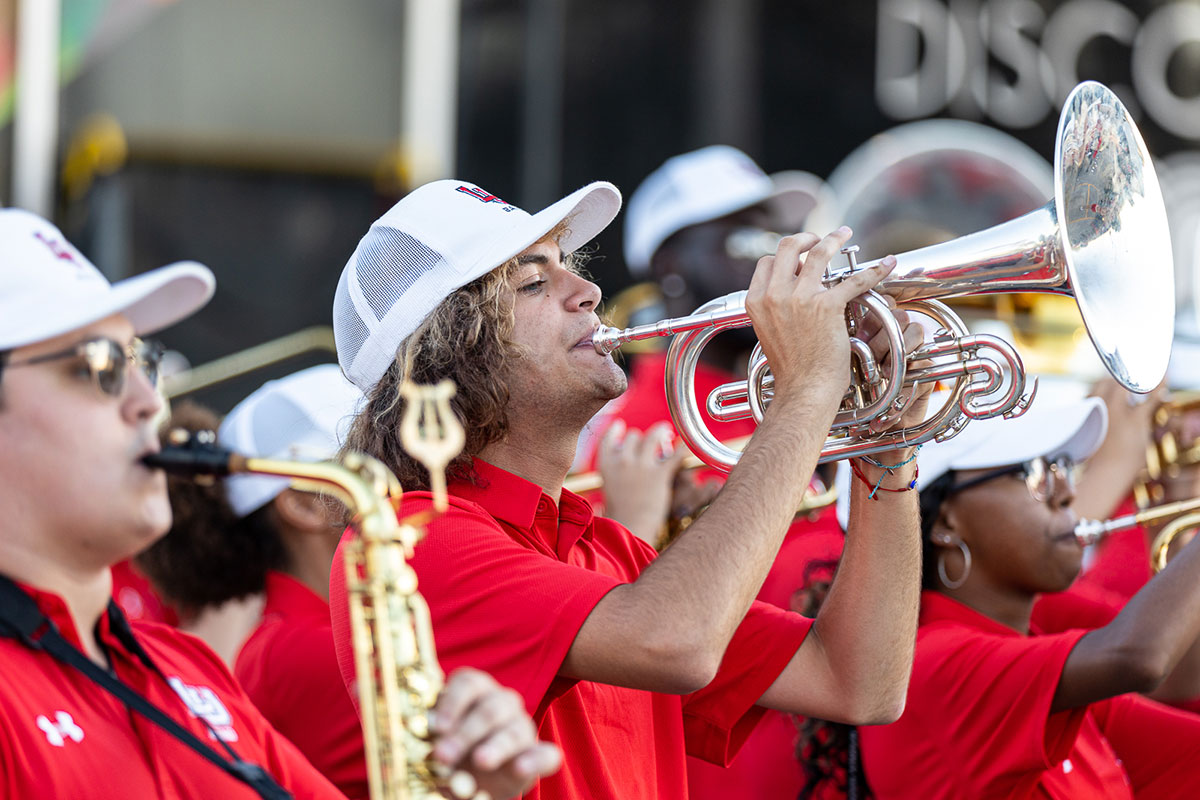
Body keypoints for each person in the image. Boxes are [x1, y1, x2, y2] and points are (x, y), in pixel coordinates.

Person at [326, 177, 928, 799]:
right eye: (535, 282)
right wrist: (805, 390)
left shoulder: (603, 548)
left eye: (568, 269)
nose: (589, 293)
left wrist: (887, 438)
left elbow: (858, 681)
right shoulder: (412, 539)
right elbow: (680, 641)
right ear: (452, 350)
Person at [0, 208, 556, 800]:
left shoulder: (184, 668)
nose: (147, 402)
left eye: (141, 362)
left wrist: (470, 791)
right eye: (100, 366)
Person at [137, 364, 565, 799]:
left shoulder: (290, 641)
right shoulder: (306, 653)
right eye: (377, 466)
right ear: (306, 504)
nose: (408, 482)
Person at [588, 145, 863, 798]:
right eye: (741, 239)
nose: (771, 260)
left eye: (775, 236)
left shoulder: (822, 391)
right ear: (668, 266)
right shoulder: (630, 423)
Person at [800, 395, 1200, 799]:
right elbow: (1141, 657)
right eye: (1032, 472)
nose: (1065, 492)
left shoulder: (1033, 654)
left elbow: (1182, 673)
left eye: (1062, 467)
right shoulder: (933, 664)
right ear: (946, 522)